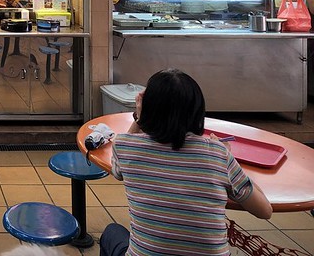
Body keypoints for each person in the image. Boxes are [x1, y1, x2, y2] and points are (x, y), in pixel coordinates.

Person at [99, 68, 272, 256]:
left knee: (112, 232)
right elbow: (265, 210)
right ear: (197, 112)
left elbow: (117, 172)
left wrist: (140, 118)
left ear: (146, 108)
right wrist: (228, 159)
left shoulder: (125, 146)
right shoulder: (217, 153)